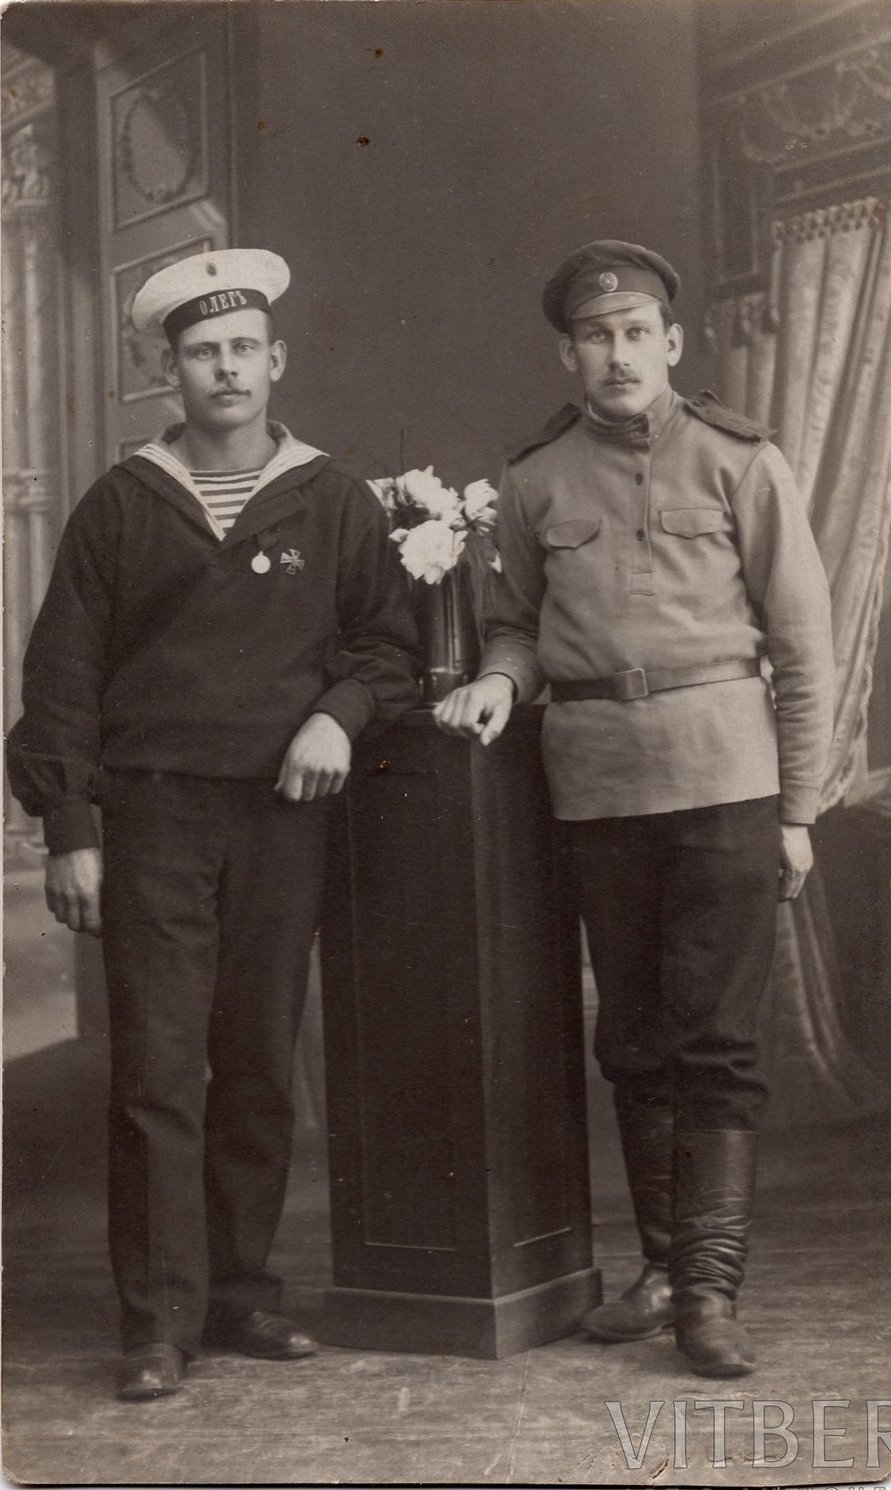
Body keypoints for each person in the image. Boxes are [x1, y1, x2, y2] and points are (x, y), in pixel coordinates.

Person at [7, 248, 419, 1401]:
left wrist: (337, 715)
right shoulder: (121, 503)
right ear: (170, 372)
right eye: (201, 351)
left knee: (257, 1060)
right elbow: (61, 677)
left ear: (276, 360)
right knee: (156, 1067)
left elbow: (387, 647)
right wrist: (71, 824)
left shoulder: (333, 498)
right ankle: (156, 1318)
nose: (226, 368)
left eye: (243, 348)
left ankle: (238, 1291)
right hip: (153, 818)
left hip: (284, 816)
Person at [434, 239, 833, 1378]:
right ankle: (661, 1269)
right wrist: (498, 680)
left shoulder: (741, 460)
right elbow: (515, 624)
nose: (618, 354)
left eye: (636, 333)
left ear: (672, 343)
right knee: (634, 1038)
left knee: (718, 1040)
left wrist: (797, 810)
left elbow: (803, 646)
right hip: (599, 790)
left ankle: (708, 1291)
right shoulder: (535, 479)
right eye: (595, 336)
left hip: (726, 781)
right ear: (569, 353)